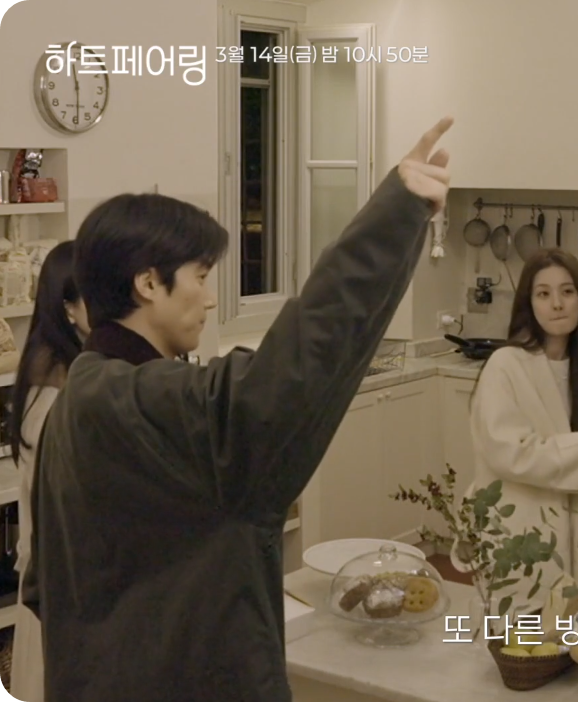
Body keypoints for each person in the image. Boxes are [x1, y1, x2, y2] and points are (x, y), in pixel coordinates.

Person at [22, 117, 454, 701]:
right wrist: (395, 215)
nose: (211, 297)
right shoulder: (128, 399)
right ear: (148, 283)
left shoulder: (81, 394)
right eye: (200, 276)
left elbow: (42, 587)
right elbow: (288, 377)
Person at [460, 248, 578, 614]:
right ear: (528, 304)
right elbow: (511, 452)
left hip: (574, 521)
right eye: (543, 294)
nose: (557, 304)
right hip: (518, 526)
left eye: (567, 291)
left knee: (568, 625)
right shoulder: (505, 366)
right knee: (520, 630)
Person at [7, 240, 89, 702]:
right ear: (69, 307)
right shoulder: (58, 387)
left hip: (52, 575)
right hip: (60, 582)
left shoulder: (54, 364)